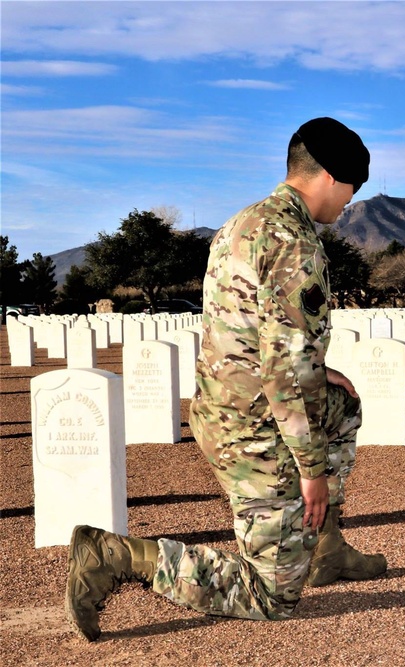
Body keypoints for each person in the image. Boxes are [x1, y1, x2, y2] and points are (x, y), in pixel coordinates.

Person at [65, 117, 386, 642]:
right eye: (352, 189)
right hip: (253, 429)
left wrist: (319, 369)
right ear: (329, 176)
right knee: (271, 596)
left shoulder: (242, 223)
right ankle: (114, 556)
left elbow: (246, 327)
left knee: (341, 404)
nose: (351, 202)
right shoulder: (296, 244)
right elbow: (285, 370)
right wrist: (311, 471)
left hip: (224, 403)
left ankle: (323, 549)